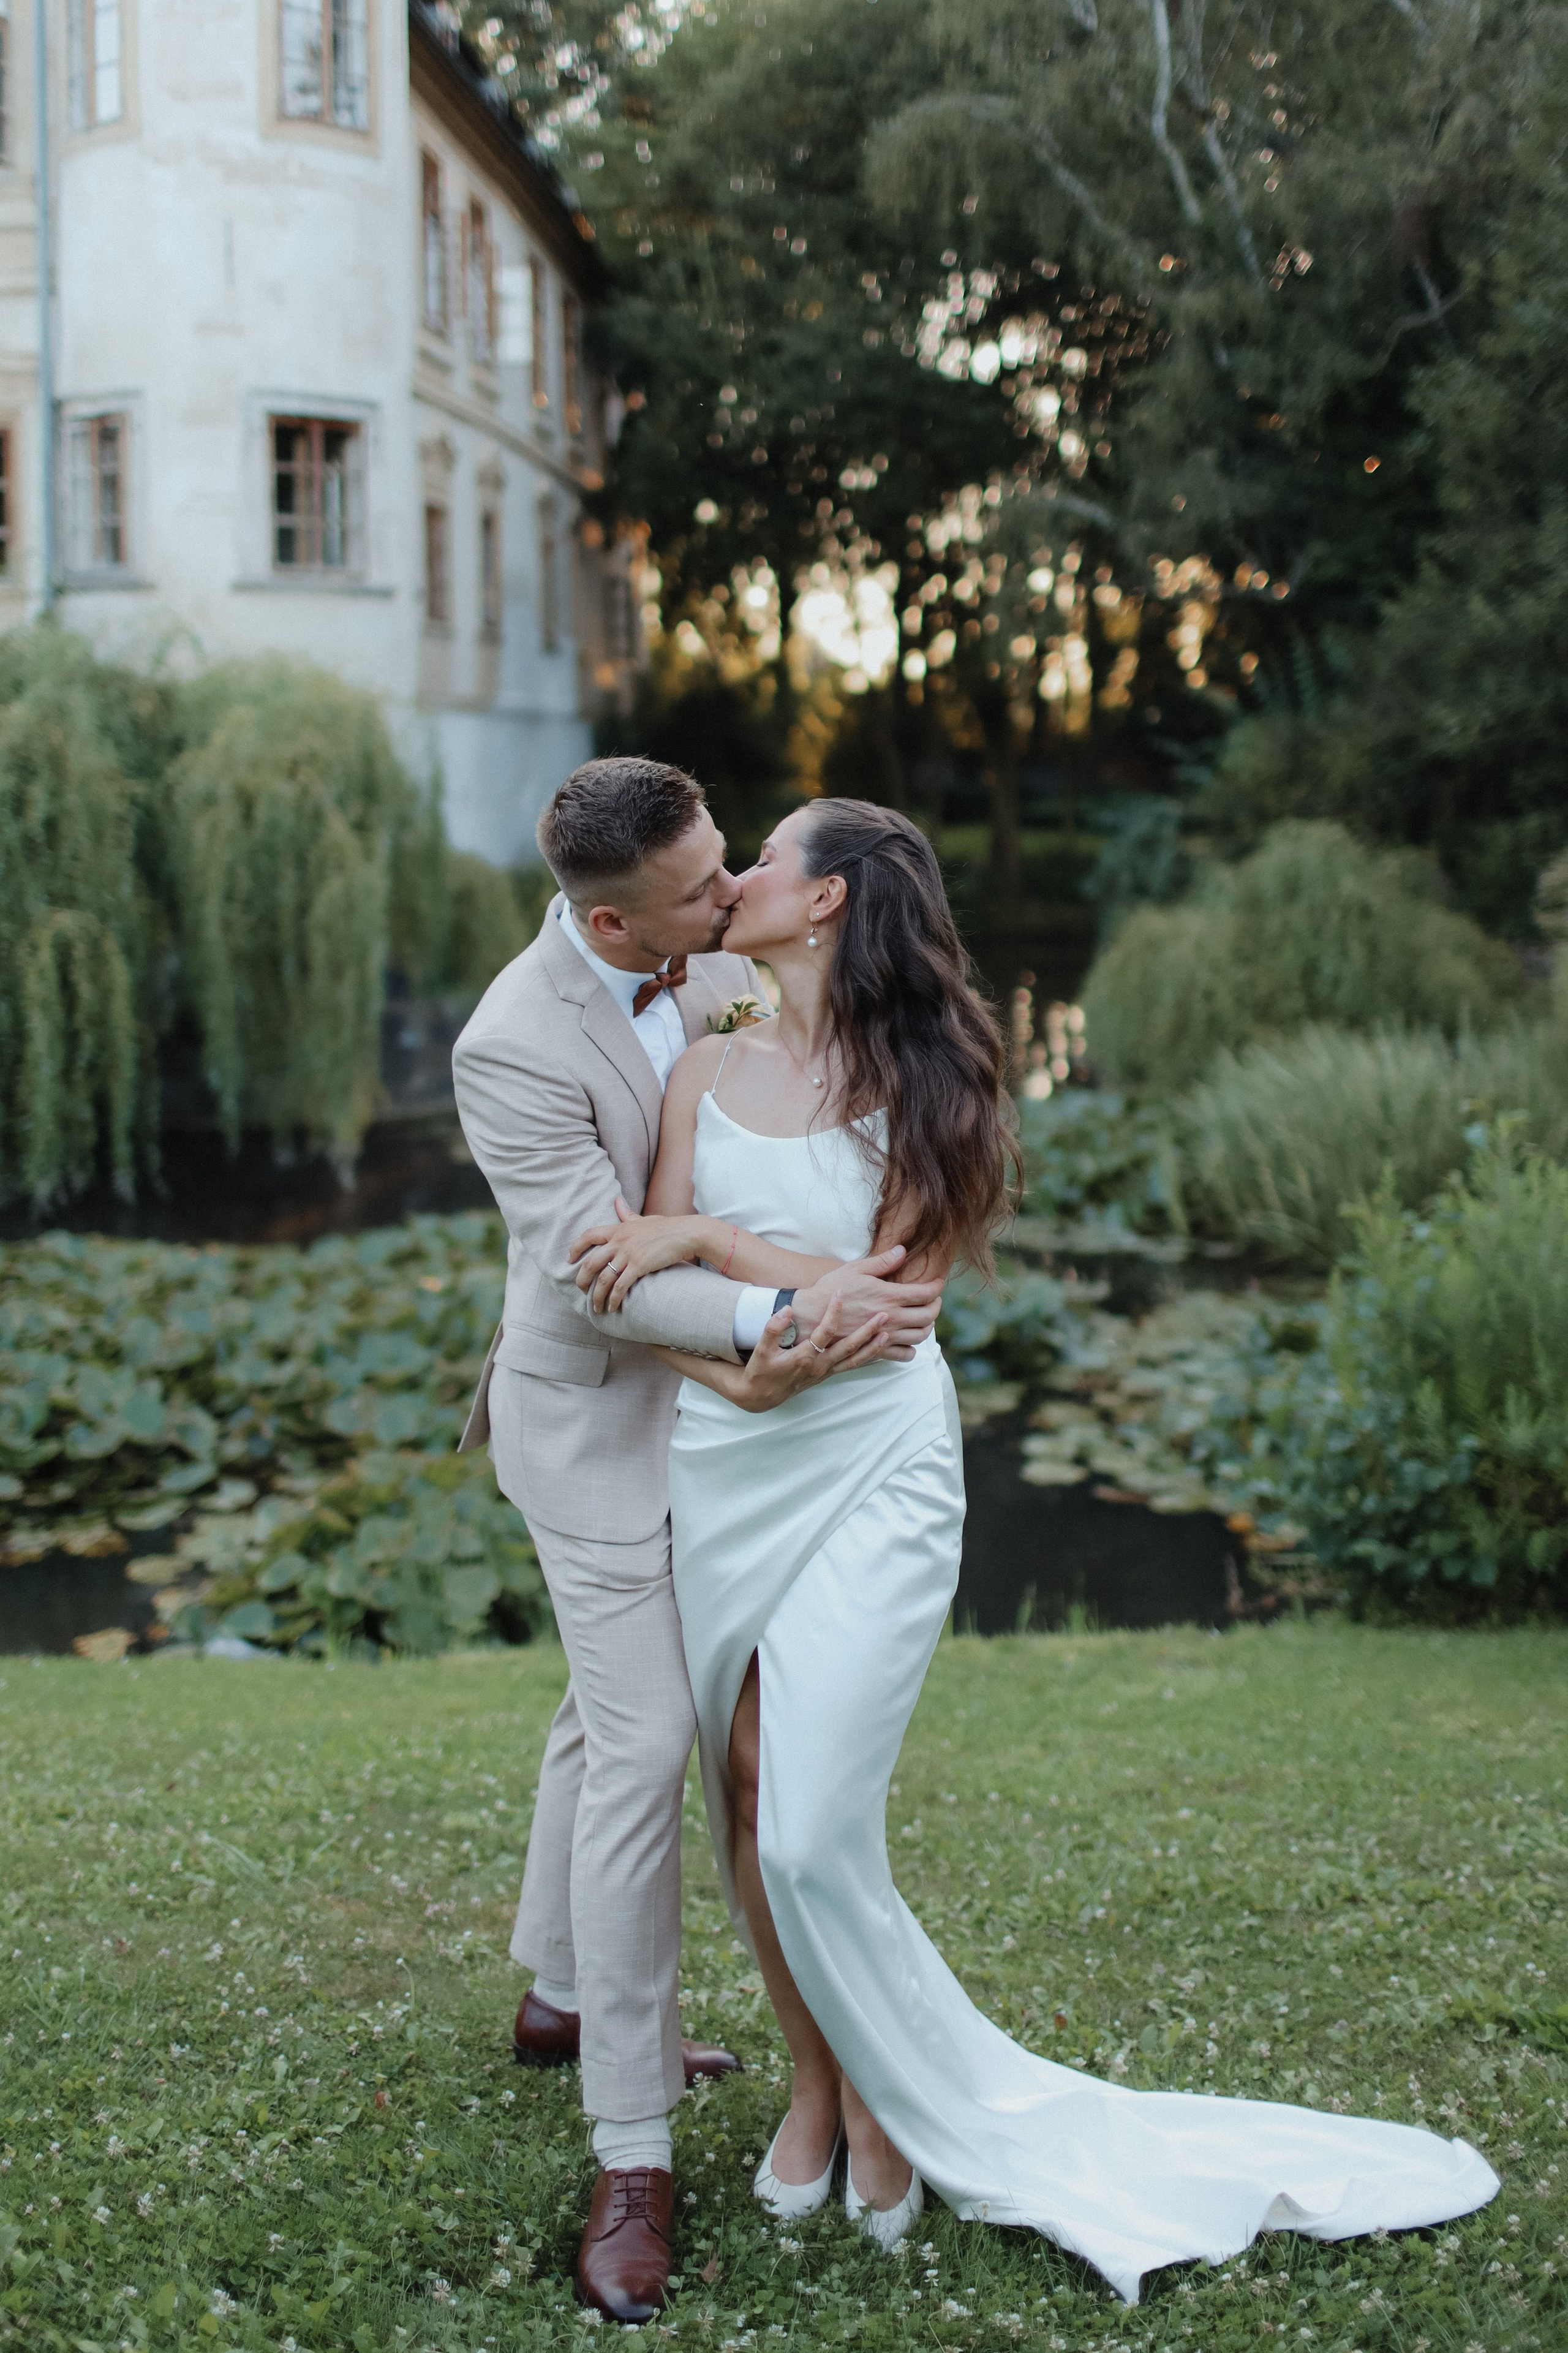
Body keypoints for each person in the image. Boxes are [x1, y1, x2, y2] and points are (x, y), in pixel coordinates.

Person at [567, 795, 1500, 2308]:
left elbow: (887, 1315)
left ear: (827, 904)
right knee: (737, 1786)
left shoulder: (928, 1081)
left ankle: (891, 2089)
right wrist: (738, 1337)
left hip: (872, 1467)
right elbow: (693, 1323)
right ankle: (820, 2081)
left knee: (813, 1822)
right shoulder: (697, 1070)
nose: (733, 878)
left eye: (765, 859)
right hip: (727, 1460)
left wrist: (717, 1252)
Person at [450, 760, 943, 2324]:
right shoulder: (509, 1046)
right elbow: (606, 1266)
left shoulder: (726, 955)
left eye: (730, 862)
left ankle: (556, 1990)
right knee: (648, 1733)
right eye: (697, 889)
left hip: (749, 1431)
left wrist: (783, 1324)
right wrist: (781, 1314)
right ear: (610, 918)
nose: (726, 894)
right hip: (602, 1421)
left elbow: (794, 1094)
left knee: (597, 1710)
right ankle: (632, 2145)